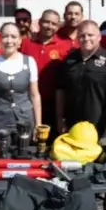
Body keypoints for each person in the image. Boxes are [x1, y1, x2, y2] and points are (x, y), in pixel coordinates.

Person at [56, 20, 106, 136]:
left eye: (90, 35)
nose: (86, 38)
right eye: (82, 35)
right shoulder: (69, 60)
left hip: (101, 130)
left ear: (99, 37)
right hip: (72, 128)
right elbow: (61, 90)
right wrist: (59, 118)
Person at [0, 22, 41, 144]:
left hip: (25, 121)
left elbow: (35, 95)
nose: (9, 41)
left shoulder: (30, 61)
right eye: (5, 36)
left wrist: (38, 124)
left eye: (13, 37)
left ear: (20, 40)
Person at [21, 9, 68, 138]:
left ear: (58, 26)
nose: (49, 26)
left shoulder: (64, 47)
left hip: (53, 104)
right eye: (46, 22)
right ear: (40, 22)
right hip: (28, 102)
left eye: (54, 24)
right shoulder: (26, 43)